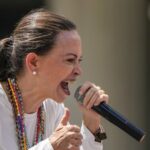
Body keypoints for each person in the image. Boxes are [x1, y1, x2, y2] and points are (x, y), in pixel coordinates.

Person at [0, 8, 109, 150]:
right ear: (33, 62)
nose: (78, 71)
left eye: (79, 61)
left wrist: (91, 122)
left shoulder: (53, 109)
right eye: (70, 60)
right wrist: (50, 146)